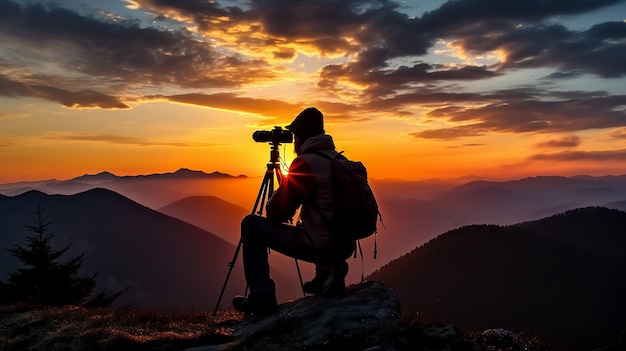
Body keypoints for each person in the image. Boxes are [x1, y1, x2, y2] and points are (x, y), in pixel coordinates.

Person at [233, 107, 356, 315]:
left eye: (295, 137)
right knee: (321, 221)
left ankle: (261, 297)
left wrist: (281, 191)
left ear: (301, 137)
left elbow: (276, 214)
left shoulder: (306, 163)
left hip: (320, 245)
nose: (293, 144)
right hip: (343, 247)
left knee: (251, 224)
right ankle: (327, 273)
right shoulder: (337, 159)